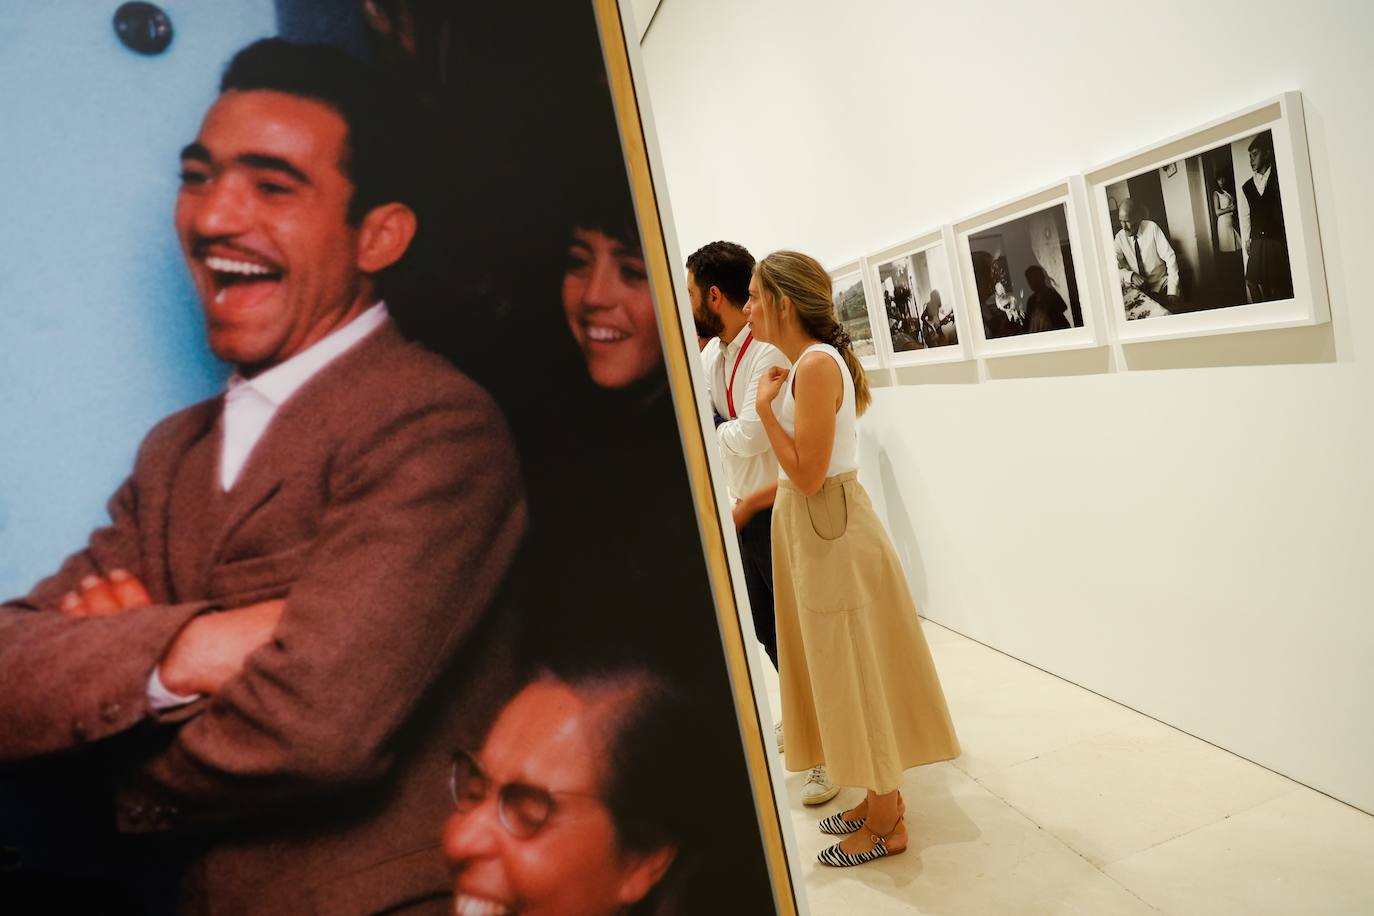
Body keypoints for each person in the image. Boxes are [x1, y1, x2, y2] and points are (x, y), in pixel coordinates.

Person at [0, 39, 526, 914]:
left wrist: (111, 696)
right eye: (199, 176)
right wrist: (203, 645)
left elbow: (319, 732)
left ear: (380, 235)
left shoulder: (436, 424)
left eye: (273, 186)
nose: (214, 218)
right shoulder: (174, 451)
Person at [747, 251, 959, 867]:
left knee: (854, 666)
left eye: (758, 296)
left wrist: (764, 411)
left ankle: (888, 819)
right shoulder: (810, 363)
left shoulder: (813, 366)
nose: (750, 307)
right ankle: (877, 798)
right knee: (842, 664)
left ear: (785, 303)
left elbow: (810, 475)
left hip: (827, 523)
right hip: (820, 527)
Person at [687, 241, 840, 804]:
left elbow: (749, 433)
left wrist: (718, 424)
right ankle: (807, 725)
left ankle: (827, 745)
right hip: (742, 510)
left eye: (756, 297)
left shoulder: (773, 357)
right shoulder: (713, 358)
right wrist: (723, 423)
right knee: (768, 626)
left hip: (776, 507)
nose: (751, 307)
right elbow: (710, 423)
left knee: (801, 631)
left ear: (714, 296)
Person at [1241, 132, 1294, 303]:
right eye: (1249, 156)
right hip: (1256, 239)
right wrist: (1247, 239)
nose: (1251, 160)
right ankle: (1262, 308)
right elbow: (1246, 214)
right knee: (1251, 281)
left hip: (1277, 238)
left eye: (1255, 154)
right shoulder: (1247, 186)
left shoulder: (1281, 177)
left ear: (1267, 153)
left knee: (1277, 285)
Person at [1114, 197, 1180, 305]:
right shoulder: (1120, 237)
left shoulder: (1152, 228)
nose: (1123, 227)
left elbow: (1170, 256)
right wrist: (1130, 275)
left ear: (1137, 218)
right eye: (1121, 221)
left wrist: (1172, 291)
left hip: (1161, 285)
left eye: (1127, 221)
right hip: (1139, 289)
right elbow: (1111, 266)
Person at [1023, 265, 1072, 334]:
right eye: (1030, 280)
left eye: (1035, 279)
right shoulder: (1031, 300)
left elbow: (1063, 307)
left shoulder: (1051, 293)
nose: (1032, 283)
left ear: (1042, 278)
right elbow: (1028, 319)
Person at [1213, 174, 1242, 253]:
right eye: (1219, 179)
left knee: (1237, 246)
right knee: (1227, 248)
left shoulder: (1227, 192)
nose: (1221, 181)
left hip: (1230, 221)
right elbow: (1217, 212)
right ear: (1216, 181)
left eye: (1222, 178)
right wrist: (1230, 208)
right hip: (1223, 223)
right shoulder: (1216, 193)